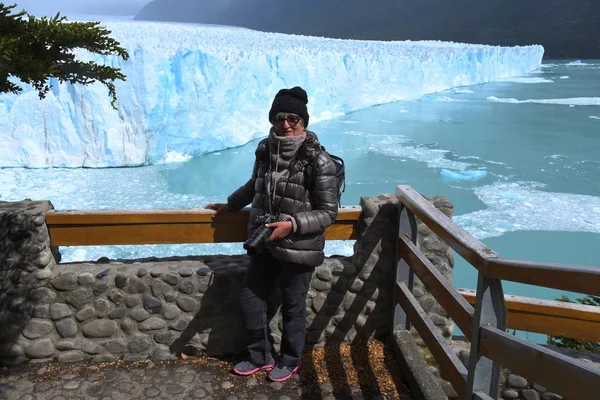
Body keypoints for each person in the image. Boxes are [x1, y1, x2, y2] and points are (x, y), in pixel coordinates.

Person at [205, 86, 338, 382]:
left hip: (298, 245)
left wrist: (292, 225)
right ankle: (260, 356)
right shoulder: (266, 152)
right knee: (250, 299)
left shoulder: (318, 160)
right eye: (279, 117)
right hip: (265, 241)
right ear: (272, 120)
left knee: (293, 308)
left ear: (304, 122)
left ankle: (290, 361)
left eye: (293, 118)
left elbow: (329, 212)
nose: (286, 124)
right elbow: (255, 184)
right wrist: (231, 204)